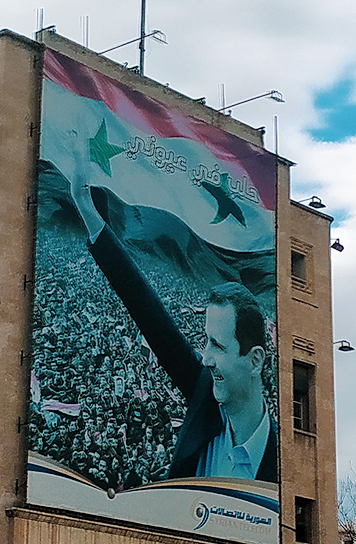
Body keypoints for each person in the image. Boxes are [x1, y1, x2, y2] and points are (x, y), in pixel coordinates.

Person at [74, 184, 279, 483]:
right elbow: (146, 308)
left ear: (255, 360)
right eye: (206, 342)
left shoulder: (281, 461)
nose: (206, 358)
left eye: (218, 346)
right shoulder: (204, 400)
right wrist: (86, 208)